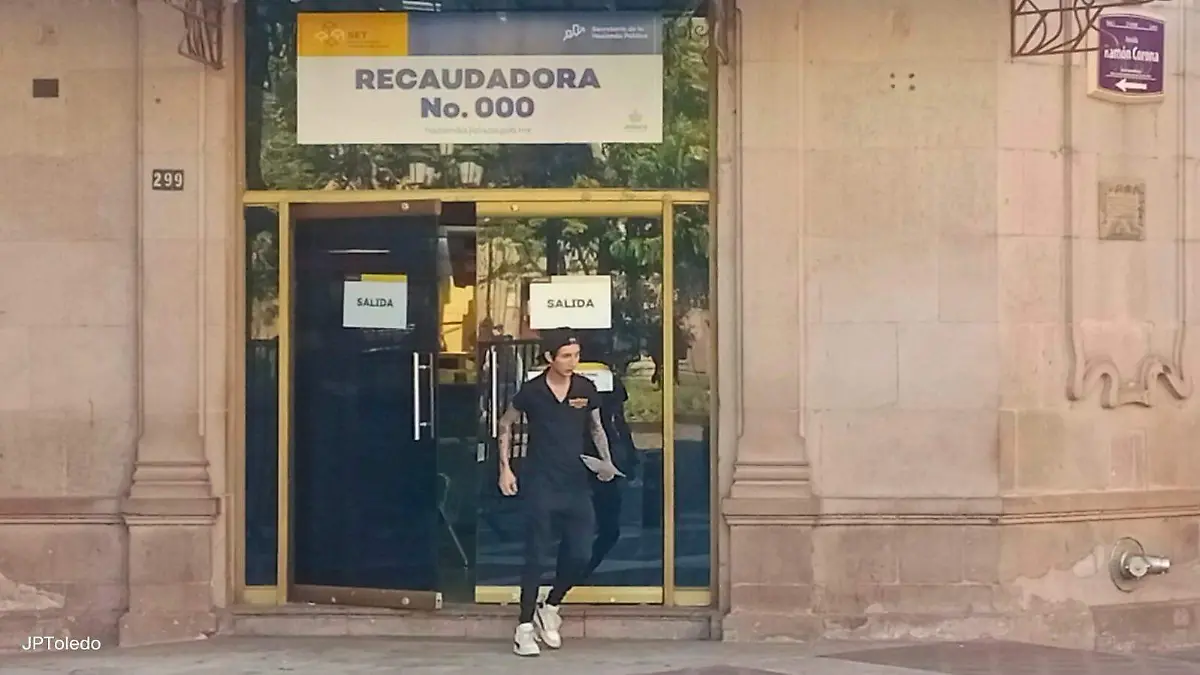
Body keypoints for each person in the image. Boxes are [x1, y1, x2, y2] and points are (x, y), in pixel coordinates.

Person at [496, 328, 621, 657]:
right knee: (536, 554)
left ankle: (550, 605)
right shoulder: (533, 391)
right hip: (541, 481)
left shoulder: (585, 388)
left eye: (576, 355)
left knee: (581, 552)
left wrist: (606, 462)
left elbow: (596, 427)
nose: (572, 362)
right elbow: (506, 423)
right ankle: (524, 627)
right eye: (566, 356)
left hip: (576, 482)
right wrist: (505, 468)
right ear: (550, 357)